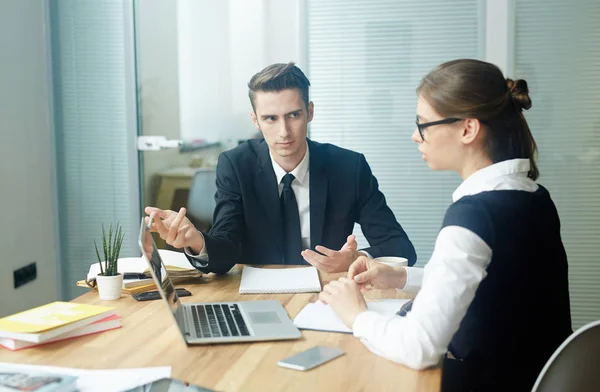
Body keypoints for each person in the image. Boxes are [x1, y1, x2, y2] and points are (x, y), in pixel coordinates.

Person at [319, 59, 572, 392]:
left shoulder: (473, 215)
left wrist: (356, 315)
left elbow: (420, 347)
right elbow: (487, 278)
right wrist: (400, 277)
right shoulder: (531, 196)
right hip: (531, 382)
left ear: (468, 129)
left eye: (423, 124)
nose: (415, 136)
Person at [145, 62, 416, 274]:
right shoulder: (236, 165)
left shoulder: (349, 167)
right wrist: (196, 241)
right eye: (270, 118)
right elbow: (226, 246)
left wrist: (357, 258)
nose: (284, 131)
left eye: (293, 115)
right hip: (258, 298)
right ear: (255, 120)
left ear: (309, 112)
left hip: (328, 294)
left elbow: (401, 247)